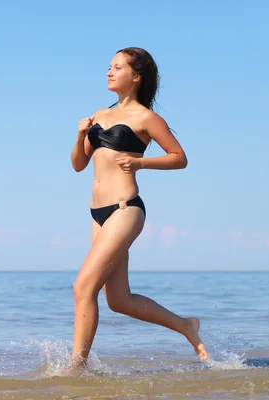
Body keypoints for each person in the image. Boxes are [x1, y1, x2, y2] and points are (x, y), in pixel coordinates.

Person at [68, 47, 209, 373]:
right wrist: (79, 138)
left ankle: (77, 368)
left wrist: (141, 162)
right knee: (119, 300)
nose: (109, 71)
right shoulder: (99, 114)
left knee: (83, 287)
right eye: (109, 66)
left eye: (117, 67)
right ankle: (187, 325)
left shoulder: (146, 118)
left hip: (125, 209)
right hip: (97, 214)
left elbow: (179, 156)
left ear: (136, 77)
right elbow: (78, 165)